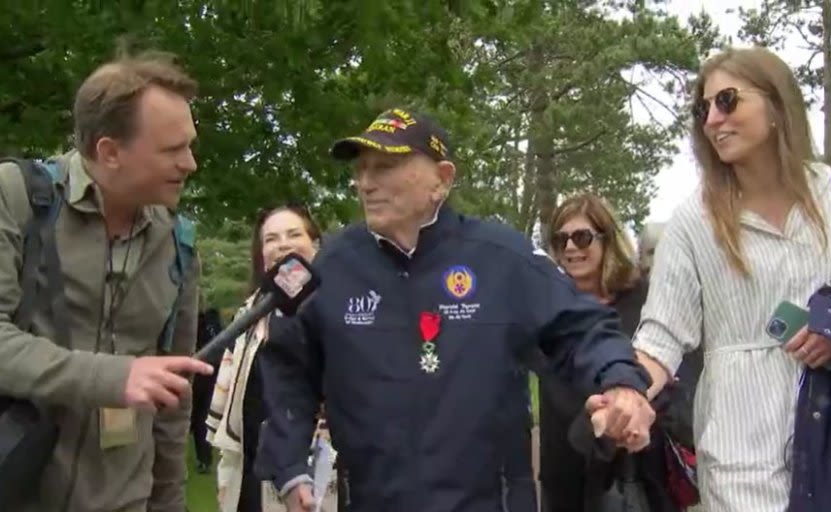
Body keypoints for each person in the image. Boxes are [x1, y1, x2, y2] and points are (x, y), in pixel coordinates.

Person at [254, 108, 656, 512]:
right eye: (361, 169)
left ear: (441, 180)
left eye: (384, 167)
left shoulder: (502, 258)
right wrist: (290, 466)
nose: (365, 182)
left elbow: (582, 326)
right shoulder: (332, 267)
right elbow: (288, 366)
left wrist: (621, 382)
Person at [616, 46, 831, 512]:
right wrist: (624, 390)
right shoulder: (694, 220)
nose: (712, 119)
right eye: (702, 108)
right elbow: (661, 335)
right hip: (740, 449)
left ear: (775, 102)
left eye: (727, 100)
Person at [0, 50, 213, 511]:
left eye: (189, 144)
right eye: (173, 149)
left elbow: (173, 408)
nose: (191, 163)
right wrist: (116, 376)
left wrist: (169, 504)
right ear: (109, 152)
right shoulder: (15, 198)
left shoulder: (180, 244)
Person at [538, 193, 688, 512]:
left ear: (608, 240)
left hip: (640, 470)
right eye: (560, 239)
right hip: (567, 466)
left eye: (581, 237)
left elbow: (674, 371)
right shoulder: (548, 310)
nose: (570, 248)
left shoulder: (647, 301)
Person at [206, 204, 330, 512]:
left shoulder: (337, 304)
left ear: (315, 243)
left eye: (294, 234)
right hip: (254, 459)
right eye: (271, 239)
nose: (283, 244)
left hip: (313, 459)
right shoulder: (253, 309)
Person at [192, 306, 223, 474]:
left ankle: (202, 459)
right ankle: (204, 459)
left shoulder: (197, 324)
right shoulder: (214, 325)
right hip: (211, 375)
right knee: (202, 419)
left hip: (198, 376)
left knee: (197, 418)